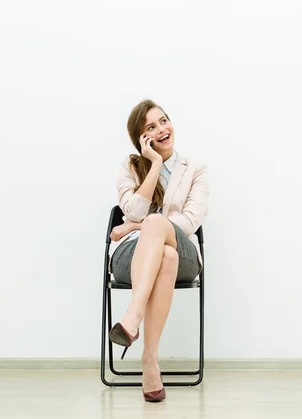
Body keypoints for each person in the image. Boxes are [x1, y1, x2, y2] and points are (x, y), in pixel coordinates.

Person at [107, 99, 209, 402]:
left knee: (165, 240)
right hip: (132, 257)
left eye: (163, 120)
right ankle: (150, 360)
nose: (162, 129)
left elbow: (189, 221)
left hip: (184, 252)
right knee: (165, 256)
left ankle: (132, 315)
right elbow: (134, 208)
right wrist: (151, 164)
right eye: (151, 127)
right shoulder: (130, 167)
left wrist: (134, 227)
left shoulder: (196, 169)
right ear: (142, 138)